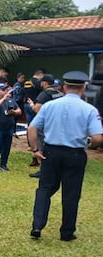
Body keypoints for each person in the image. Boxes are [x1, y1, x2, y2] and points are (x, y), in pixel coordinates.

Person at [28, 71, 103, 241]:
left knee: (45, 189)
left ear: (63, 87)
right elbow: (98, 137)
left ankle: (37, 225)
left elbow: (32, 128)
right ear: (83, 88)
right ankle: (66, 232)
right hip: (75, 154)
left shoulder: (49, 106)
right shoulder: (90, 109)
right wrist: (90, 145)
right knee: (71, 193)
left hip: (50, 152)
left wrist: (35, 150)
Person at [27, 74, 63, 178]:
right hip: (57, 124)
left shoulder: (44, 94)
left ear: (45, 83)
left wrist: (32, 105)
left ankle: (44, 170)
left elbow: (38, 110)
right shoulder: (59, 93)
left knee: (42, 146)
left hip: (45, 124)